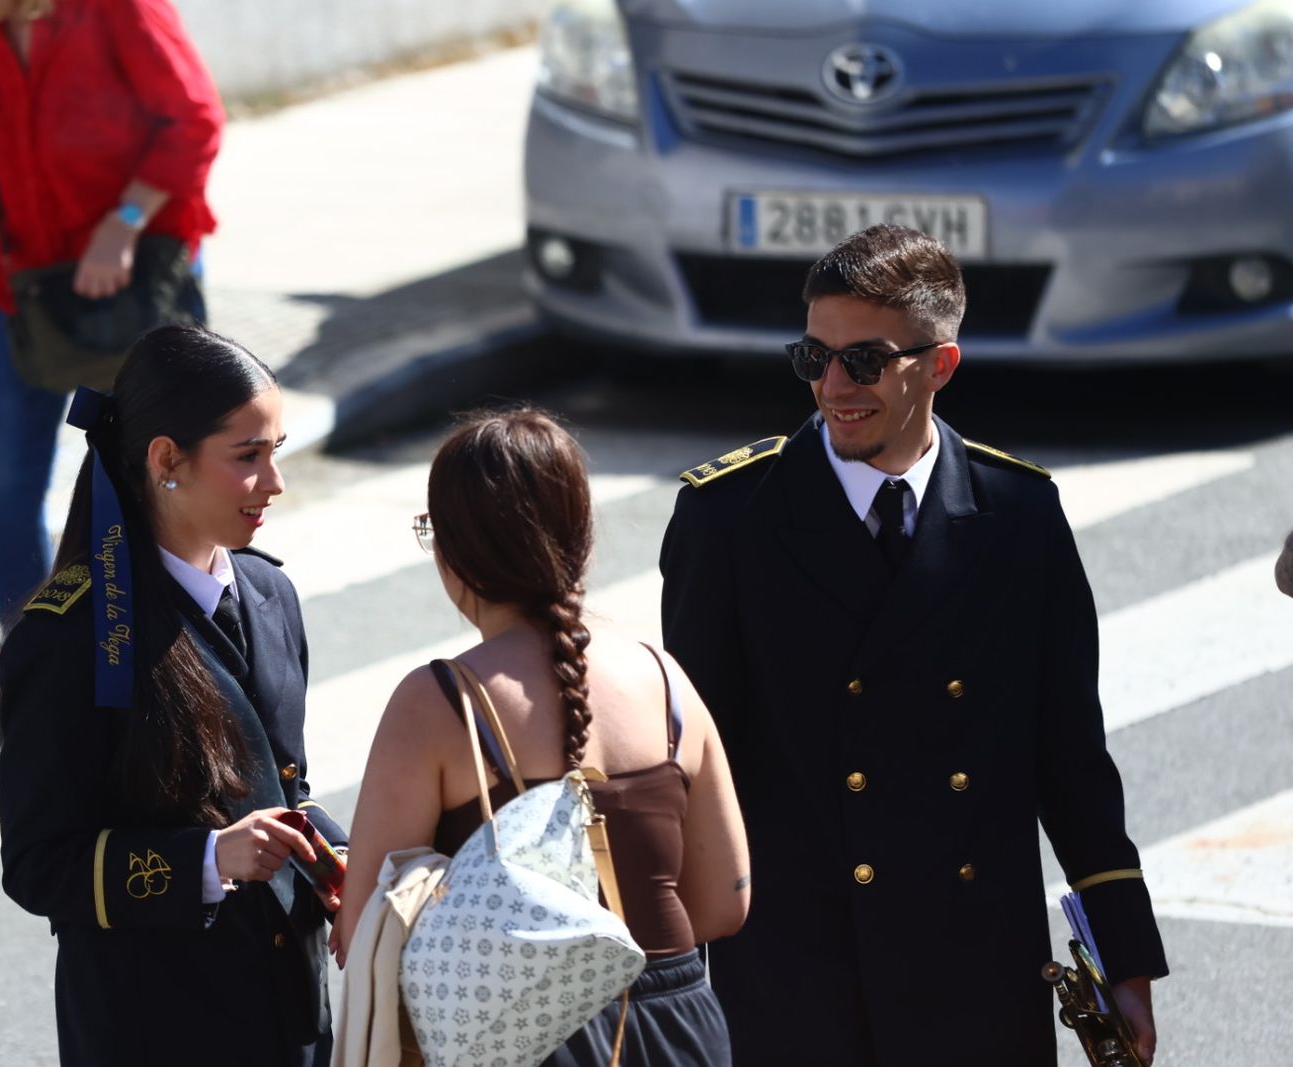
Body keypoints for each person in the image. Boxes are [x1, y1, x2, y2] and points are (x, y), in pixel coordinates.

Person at [660, 224, 1169, 1066]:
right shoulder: (729, 519)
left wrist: (1125, 959)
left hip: (976, 971)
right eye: (813, 357)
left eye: (863, 361)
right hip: (799, 980)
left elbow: (1072, 760)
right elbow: (689, 771)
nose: (833, 386)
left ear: (940, 365)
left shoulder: (1019, 516)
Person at [338, 409, 751, 1066]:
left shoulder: (439, 701)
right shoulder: (664, 678)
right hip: (677, 1028)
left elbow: (364, 924)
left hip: (526, 1036)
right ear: (581, 536)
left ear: (454, 550)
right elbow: (725, 903)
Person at [0, 326, 345, 1065]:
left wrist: (341, 862)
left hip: (289, 1008)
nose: (275, 482)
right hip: (154, 1024)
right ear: (166, 461)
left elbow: (283, 784)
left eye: (276, 451)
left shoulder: (270, 592)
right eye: (247, 457)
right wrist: (209, 859)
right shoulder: (67, 634)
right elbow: (39, 863)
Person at [0, 0, 224, 761]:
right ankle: (29, 674)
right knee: (6, 483)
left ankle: (180, 664)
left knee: (157, 473)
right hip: (17, 288)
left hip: (135, 274)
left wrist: (123, 220)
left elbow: (194, 119)